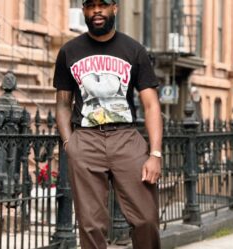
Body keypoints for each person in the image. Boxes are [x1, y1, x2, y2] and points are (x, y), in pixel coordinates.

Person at [53, 0, 162, 248]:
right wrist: (70, 143)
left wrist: (155, 153)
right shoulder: (69, 51)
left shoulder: (134, 50)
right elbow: (62, 103)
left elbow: (152, 105)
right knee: (90, 225)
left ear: (115, 8)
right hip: (86, 140)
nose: (96, 11)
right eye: (90, 6)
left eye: (102, 4)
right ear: (84, 11)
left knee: (146, 219)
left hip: (126, 138)